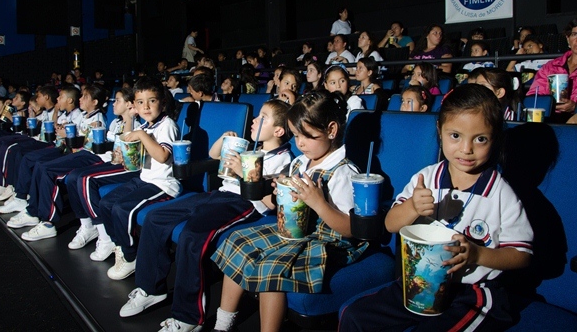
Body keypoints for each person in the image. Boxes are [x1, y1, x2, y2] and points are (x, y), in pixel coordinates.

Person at [338, 84, 533, 332]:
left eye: (480, 139)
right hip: (419, 281)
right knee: (354, 316)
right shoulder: (426, 179)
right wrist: (412, 207)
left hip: (474, 293)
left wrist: (478, 255)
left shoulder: (500, 192)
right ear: (440, 131)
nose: (466, 149)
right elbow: (389, 225)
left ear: (495, 139)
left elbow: (522, 255)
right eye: (455, 136)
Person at [118, 100, 294, 332]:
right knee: (155, 217)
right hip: (218, 194)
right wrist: (224, 140)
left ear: (279, 131)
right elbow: (214, 155)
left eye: (262, 117)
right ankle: (150, 290)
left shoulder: (285, 160)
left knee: (193, 235)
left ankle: (188, 317)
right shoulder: (251, 147)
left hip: (242, 203)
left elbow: (271, 202)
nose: (254, 120)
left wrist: (246, 175)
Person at [212, 90, 366, 332]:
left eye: (307, 136)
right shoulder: (300, 162)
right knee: (237, 240)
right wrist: (275, 193)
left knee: (270, 266)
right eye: (295, 136)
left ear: (332, 130)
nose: (300, 143)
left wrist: (318, 202)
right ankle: (222, 324)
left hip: (328, 240)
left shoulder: (343, 171)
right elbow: (275, 206)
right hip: (294, 229)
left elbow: (350, 229)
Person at [99, 78, 180, 280]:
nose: (146, 106)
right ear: (134, 105)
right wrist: (124, 156)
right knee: (106, 202)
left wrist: (142, 135)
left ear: (162, 103)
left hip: (163, 184)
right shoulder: (145, 125)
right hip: (145, 178)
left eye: (151, 101)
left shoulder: (167, 125)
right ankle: (120, 244)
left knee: (121, 208)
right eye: (141, 102)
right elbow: (137, 156)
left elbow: (162, 156)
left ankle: (130, 256)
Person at [7, 85, 109, 242]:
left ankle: (48, 223)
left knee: (48, 170)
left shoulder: (98, 119)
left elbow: (90, 143)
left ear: (95, 102)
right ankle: (33, 211)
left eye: (84, 97)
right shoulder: (84, 115)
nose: (80, 99)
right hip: (77, 152)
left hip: (89, 156)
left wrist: (69, 135)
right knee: (41, 165)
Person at [63, 87, 142, 261]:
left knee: (85, 179)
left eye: (118, 100)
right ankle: (87, 226)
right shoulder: (115, 123)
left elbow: (132, 155)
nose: (114, 104)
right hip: (113, 162)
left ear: (129, 105)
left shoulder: (137, 124)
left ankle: (105, 237)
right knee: (73, 177)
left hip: (128, 168)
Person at [527, 19, 577, 118]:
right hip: (549, 118)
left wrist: (575, 107)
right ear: (568, 39)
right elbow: (533, 97)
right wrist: (549, 103)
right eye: (574, 34)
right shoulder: (551, 66)